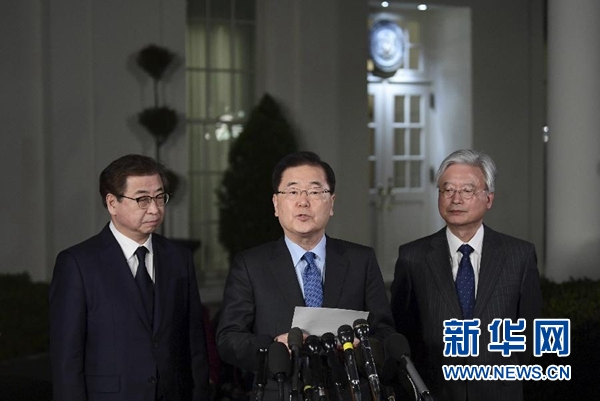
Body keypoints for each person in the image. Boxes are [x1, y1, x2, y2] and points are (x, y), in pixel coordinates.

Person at [216, 151, 395, 399]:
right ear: (276, 204)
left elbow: (384, 332)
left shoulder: (360, 260)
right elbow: (228, 339)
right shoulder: (250, 265)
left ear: (331, 203)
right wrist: (274, 348)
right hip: (281, 391)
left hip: (349, 392)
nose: (303, 201)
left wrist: (362, 347)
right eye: (292, 192)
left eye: (314, 191)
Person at [49, 154, 210, 401]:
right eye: (142, 199)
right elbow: (66, 360)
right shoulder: (78, 264)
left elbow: (194, 344)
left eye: (159, 197)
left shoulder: (179, 258)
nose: (154, 209)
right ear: (112, 203)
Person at [390, 149, 543, 401]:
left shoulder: (519, 256)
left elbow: (529, 331)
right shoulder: (413, 257)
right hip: (435, 391)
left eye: (467, 190)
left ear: (489, 198)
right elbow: (403, 332)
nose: (456, 199)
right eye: (448, 190)